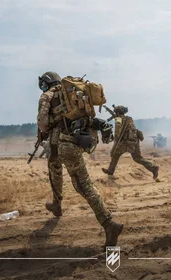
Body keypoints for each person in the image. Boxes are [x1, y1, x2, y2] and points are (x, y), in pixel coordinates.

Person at [37, 71, 123, 247]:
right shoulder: (71, 93)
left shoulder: (46, 96)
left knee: (83, 186)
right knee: (54, 166)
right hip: (74, 140)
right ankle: (57, 203)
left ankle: (109, 224)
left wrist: (45, 130)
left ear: (46, 83)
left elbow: (43, 123)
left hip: (65, 144)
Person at [102, 105, 159, 180]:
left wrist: (115, 141)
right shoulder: (129, 119)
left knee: (115, 154)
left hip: (126, 142)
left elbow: (117, 132)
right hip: (135, 141)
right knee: (137, 158)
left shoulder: (119, 119)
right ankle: (153, 168)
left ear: (117, 112)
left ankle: (110, 171)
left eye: (116, 112)